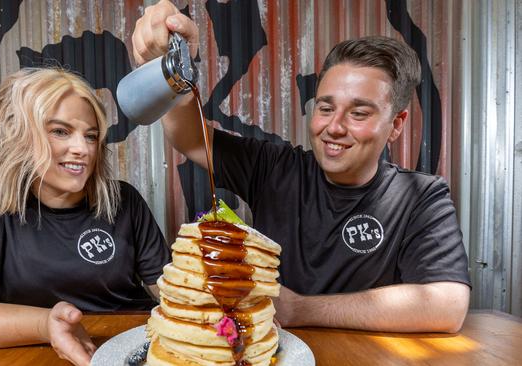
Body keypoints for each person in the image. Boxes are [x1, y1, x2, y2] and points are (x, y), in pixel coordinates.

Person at [130, 0, 470, 333]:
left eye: (359, 113)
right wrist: (171, 69)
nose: (333, 127)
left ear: (396, 124)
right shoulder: (275, 168)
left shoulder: (421, 197)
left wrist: (300, 309)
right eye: (325, 108)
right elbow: (190, 139)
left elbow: (447, 305)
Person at [0, 68, 171, 365]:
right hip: (35, 351)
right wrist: (45, 324)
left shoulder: (124, 200)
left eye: (91, 136)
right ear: (22, 137)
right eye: (60, 131)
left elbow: (169, 291)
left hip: (125, 347)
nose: (82, 149)